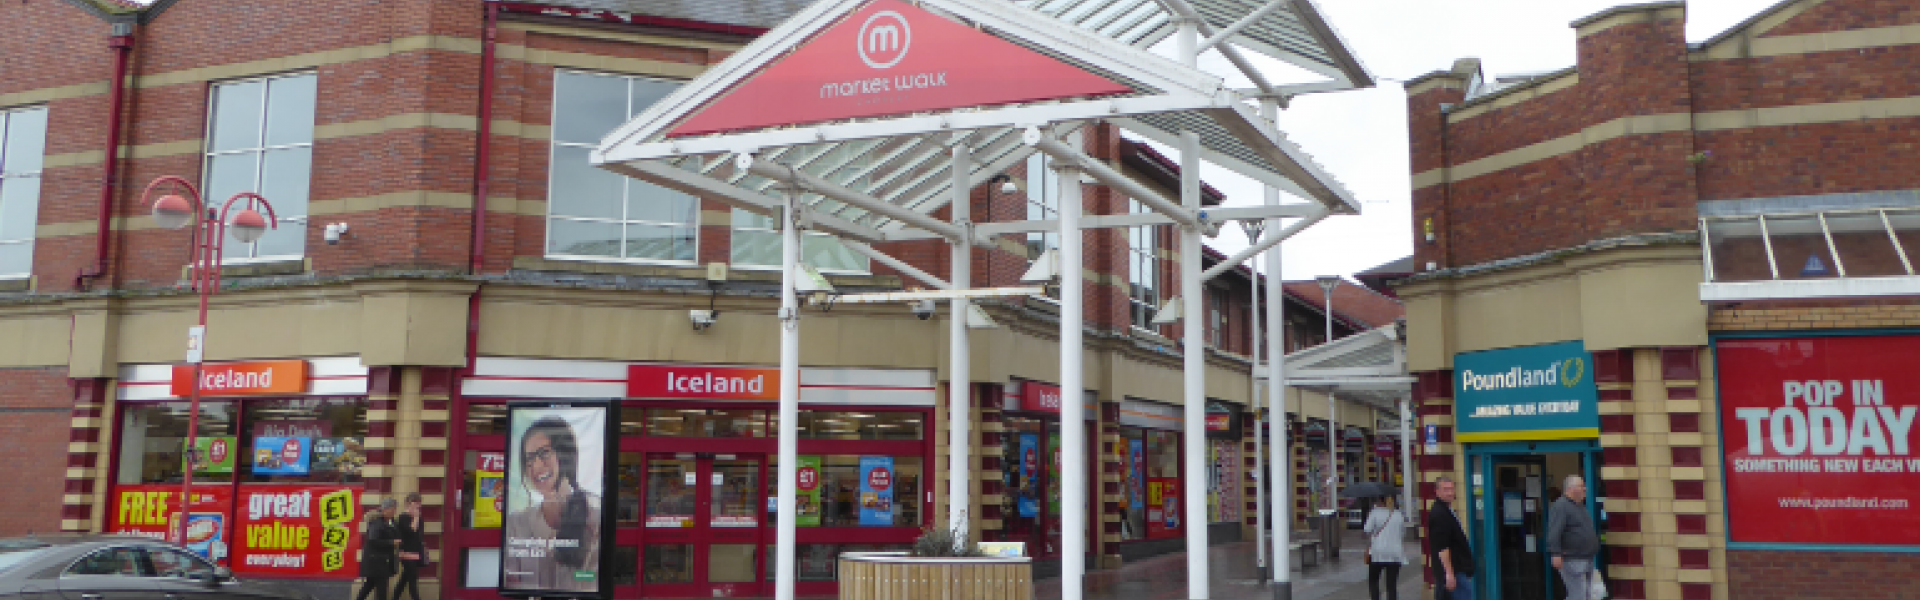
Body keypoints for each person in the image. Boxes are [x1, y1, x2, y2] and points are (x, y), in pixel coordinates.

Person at [503, 416, 603, 592]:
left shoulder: (596, 517)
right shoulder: (516, 524)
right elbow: (513, 582)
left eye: (544, 453)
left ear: (565, 455)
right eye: (530, 458)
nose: (536, 465)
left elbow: (592, 583)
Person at [1547, 475, 1601, 600]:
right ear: (1571, 488)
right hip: (1572, 559)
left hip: (1586, 558)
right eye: (1581, 486)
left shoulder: (1579, 506)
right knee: (1579, 595)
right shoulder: (1561, 506)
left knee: (1589, 595)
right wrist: (1556, 553)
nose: (1585, 489)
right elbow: (1554, 531)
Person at [1427, 476, 1475, 600]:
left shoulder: (1447, 510)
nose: (1450, 492)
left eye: (1452, 489)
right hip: (1454, 572)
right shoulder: (1439, 514)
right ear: (1437, 491)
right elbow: (1442, 546)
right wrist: (1449, 573)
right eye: (1446, 489)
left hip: (1457, 570)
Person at [1363, 494, 1407, 600]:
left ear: (1380, 499)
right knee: (1391, 585)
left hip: (1378, 551)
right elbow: (1403, 533)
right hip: (1395, 552)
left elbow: (1367, 530)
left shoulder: (1375, 513)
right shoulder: (1398, 514)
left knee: (1373, 580)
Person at [356, 498, 400, 600]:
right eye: (393, 510)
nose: (394, 512)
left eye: (395, 509)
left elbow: (394, 533)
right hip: (376, 561)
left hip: (381, 559)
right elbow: (372, 540)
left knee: (370, 584)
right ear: (386, 509)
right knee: (381, 588)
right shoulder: (377, 522)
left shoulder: (389, 521)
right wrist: (391, 542)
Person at [391, 493, 426, 600]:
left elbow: (419, 534)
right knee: (412, 580)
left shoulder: (419, 518)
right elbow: (410, 532)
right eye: (414, 504)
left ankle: (395, 597)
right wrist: (415, 518)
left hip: (416, 552)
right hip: (406, 552)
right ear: (408, 504)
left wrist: (417, 518)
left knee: (405, 578)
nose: (417, 507)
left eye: (418, 504)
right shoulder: (402, 518)